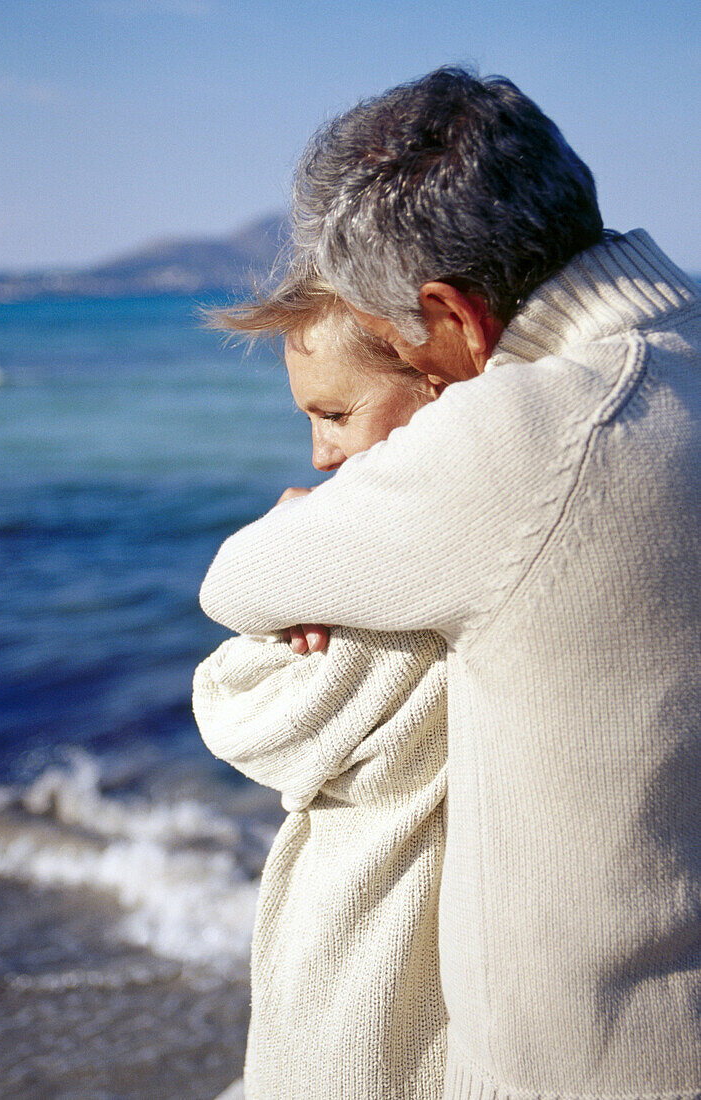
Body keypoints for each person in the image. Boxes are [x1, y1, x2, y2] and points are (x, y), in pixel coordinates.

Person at [199, 67, 701, 1099]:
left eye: (401, 349)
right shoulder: (677, 357)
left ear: (455, 319)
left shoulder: (532, 435)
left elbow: (240, 581)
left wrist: (306, 522)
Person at [194, 269, 449, 1099]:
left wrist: (286, 556)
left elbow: (239, 714)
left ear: (438, 381)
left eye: (337, 415)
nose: (318, 452)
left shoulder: (404, 597)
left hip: (372, 988)